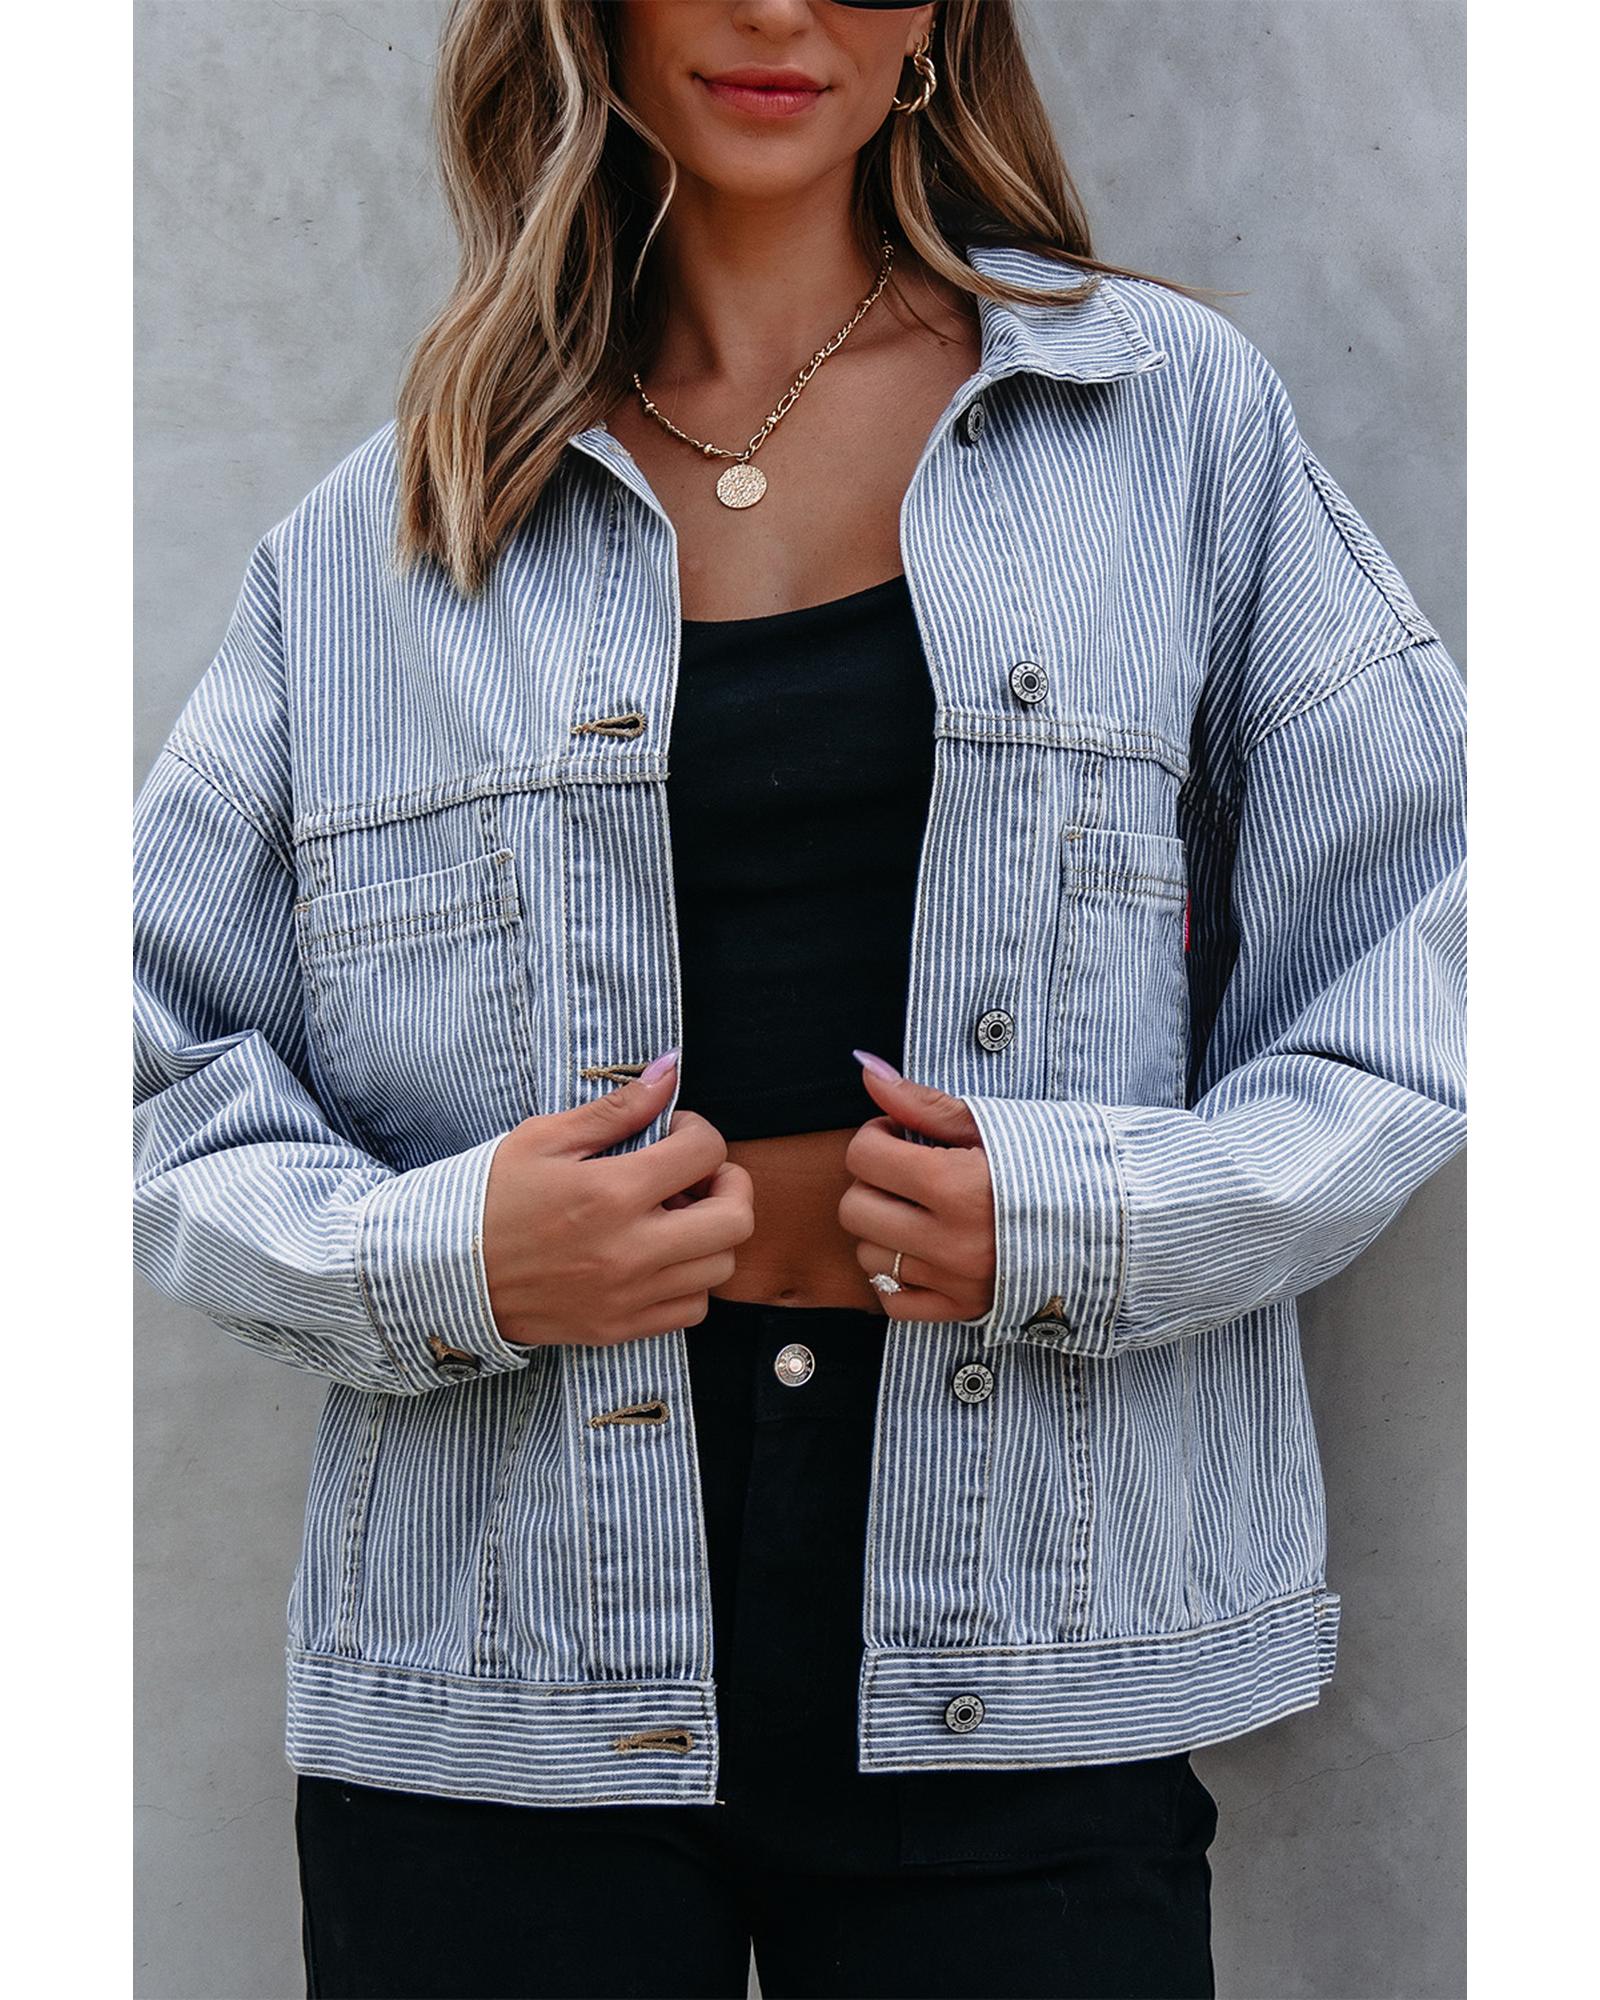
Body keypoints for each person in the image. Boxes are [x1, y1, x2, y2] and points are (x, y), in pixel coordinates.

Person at [131, 3, 1467, 1996]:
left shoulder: (1159, 423)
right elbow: (145, 1062)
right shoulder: (385, 536)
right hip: (501, 1664)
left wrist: (1092, 1215)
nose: (779, 7)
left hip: (1027, 1643)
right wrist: (450, 1257)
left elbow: (1430, 939)